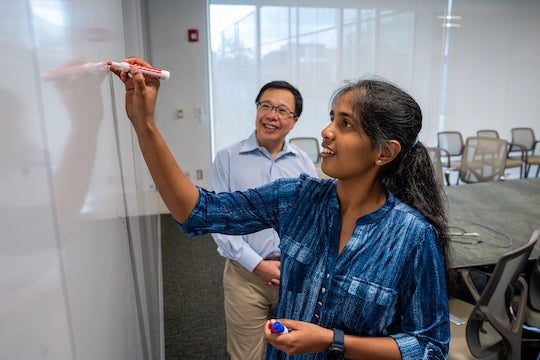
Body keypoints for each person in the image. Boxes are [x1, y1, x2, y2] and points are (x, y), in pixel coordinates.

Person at [111, 57, 452, 359]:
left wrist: (333, 341)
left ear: (385, 152)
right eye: (332, 118)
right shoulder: (298, 198)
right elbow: (197, 212)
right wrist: (145, 124)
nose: (327, 131)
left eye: (345, 124)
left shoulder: (413, 237)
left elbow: (429, 347)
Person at [209, 81, 318, 360]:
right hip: (245, 276)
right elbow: (220, 221)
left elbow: (313, 221)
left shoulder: (304, 164)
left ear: (293, 122)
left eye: (282, 110)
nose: (272, 115)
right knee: (247, 355)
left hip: (292, 277)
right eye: (266, 106)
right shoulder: (227, 159)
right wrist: (258, 265)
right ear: (257, 109)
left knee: (292, 351)